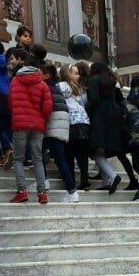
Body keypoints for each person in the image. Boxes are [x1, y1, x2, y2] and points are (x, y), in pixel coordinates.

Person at [8, 55, 53, 203]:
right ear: (37, 69)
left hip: (20, 124)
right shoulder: (42, 84)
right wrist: (41, 120)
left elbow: (10, 103)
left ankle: (22, 191)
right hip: (37, 125)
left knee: (18, 159)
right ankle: (42, 193)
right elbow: (47, 108)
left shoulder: (14, 81)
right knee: (38, 159)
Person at [40, 63, 78, 202]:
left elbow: (46, 107)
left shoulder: (45, 88)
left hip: (51, 126)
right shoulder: (56, 89)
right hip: (61, 127)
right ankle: (46, 181)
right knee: (58, 158)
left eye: (40, 73)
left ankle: (71, 191)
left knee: (42, 155)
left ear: (47, 75)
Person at [87, 61, 123, 194]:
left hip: (99, 115)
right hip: (112, 115)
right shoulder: (111, 81)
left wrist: (87, 109)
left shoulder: (94, 81)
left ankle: (112, 177)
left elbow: (94, 100)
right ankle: (105, 182)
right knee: (102, 149)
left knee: (96, 149)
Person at [58, 63, 91, 191]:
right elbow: (85, 103)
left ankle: (70, 180)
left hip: (70, 122)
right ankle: (85, 180)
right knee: (82, 155)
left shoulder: (59, 87)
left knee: (69, 153)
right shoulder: (80, 90)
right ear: (67, 73)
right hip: (83, 121)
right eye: (75, 73)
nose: (78, 76)